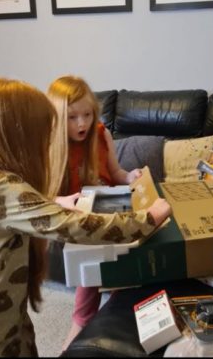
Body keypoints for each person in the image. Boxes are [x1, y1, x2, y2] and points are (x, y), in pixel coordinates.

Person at [0, 77, 171, 357]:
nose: (48, 139)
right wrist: (149, 218)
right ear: (17, 135)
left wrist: (51, 202)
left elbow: (12, 210)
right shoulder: (0, 187)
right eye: (43, 132)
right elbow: (76, 226)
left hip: (6, 315)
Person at [47, 75, 143, 351]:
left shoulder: (102, 134)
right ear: (56, 118)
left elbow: (116, 173)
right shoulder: (51, 145)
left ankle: (116, 318)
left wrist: (130, 177)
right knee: (92, 279)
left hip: (113, 210)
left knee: (124, 274)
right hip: (81, 224)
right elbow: (38, 197)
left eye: (87, 114)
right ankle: (79, 328)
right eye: (72, 117)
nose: (82, 124)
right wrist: (62, 200)